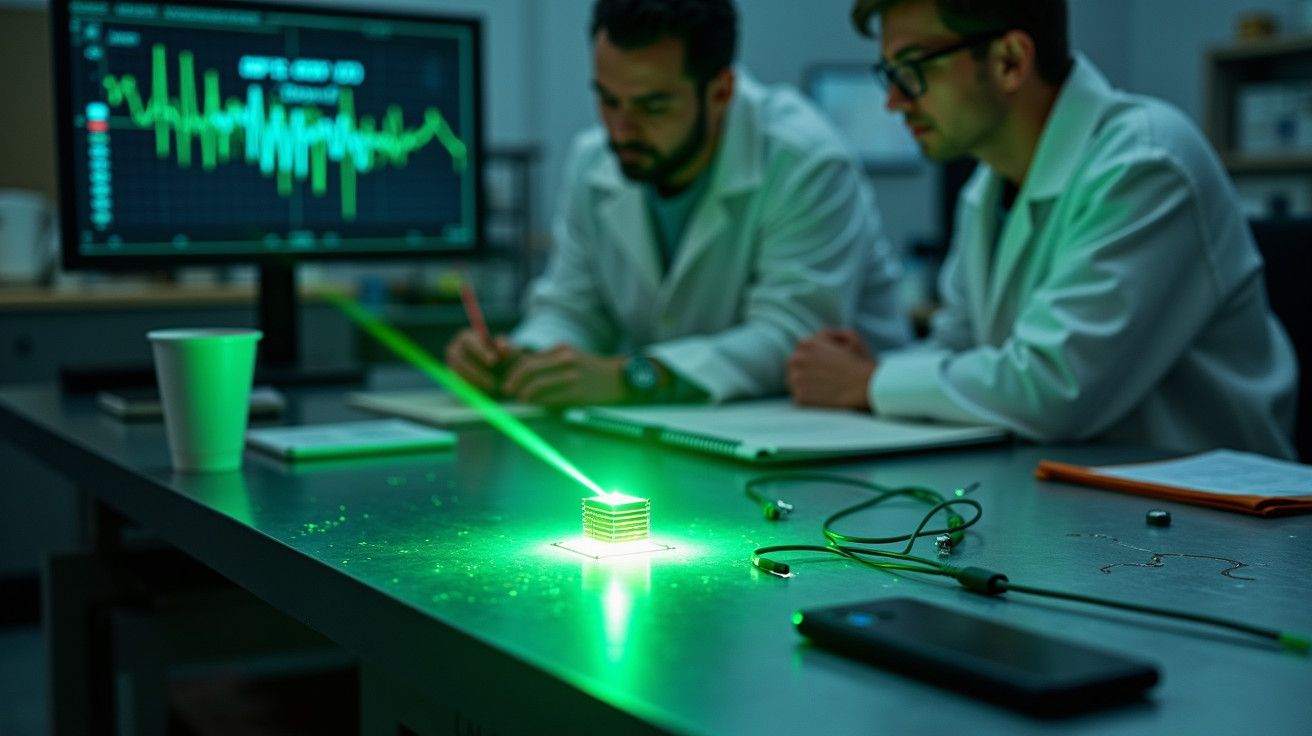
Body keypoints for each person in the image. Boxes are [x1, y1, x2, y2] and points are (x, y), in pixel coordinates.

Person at [788, 0, 1298, 458]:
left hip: (1215, 515)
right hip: (1078, 494)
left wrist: (870, 381)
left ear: (1010, 60)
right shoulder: (987, 189)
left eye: (914, 69)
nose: (894, 102)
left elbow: (1057, 388)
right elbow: (959, 348)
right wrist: (877, 370)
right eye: (890, 74)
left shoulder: (1148, 161)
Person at [445, 0, 910, 406]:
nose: (620, 130)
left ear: (721, 91)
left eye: (652, 107)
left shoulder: (804, 160)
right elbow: (574, 309)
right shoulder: (593, 161)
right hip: (683, 428)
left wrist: (634, 378)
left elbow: (792, 341)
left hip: (828, 437)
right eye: (608, 100)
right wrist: (522, 358)